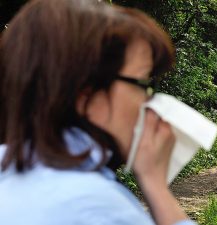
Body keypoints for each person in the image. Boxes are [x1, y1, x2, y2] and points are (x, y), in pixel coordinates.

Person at [0, 0, 196, 224]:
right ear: (86, 95)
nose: (149, 102)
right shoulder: (95, 206)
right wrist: (157, 188)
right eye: (142, 84)